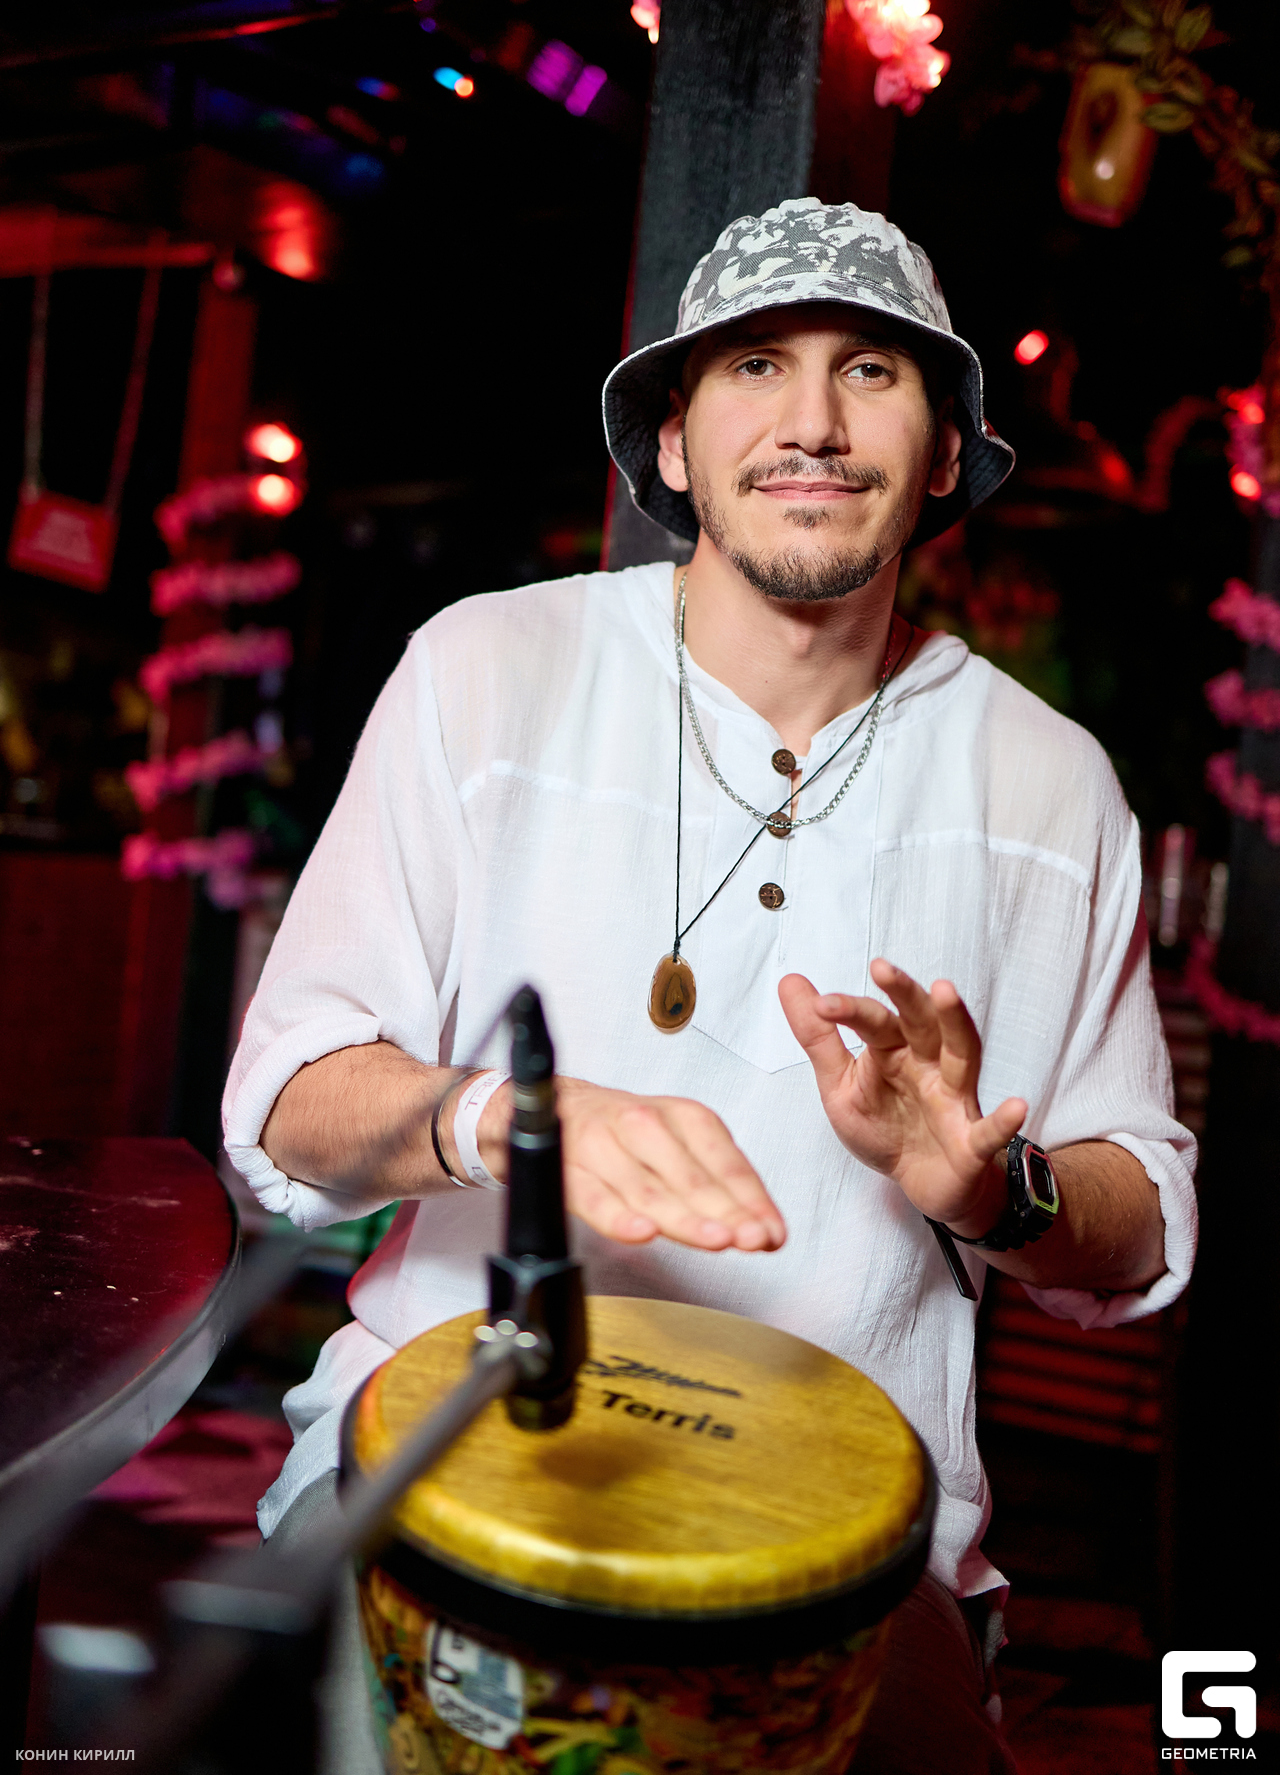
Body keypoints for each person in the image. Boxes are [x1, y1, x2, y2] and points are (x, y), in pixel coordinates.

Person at [224, 197, 1196, 1772]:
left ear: (947, 451)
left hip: (856, 1541)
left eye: (870, 371)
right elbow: (286, 1101)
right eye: (756, 367)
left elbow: (1139, 1221)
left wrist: (994, 1189)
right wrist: (508, 1120)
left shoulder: (1050, 780)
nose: (812, 422)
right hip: (443, 1455)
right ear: (672, 444)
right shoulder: (487, 670)